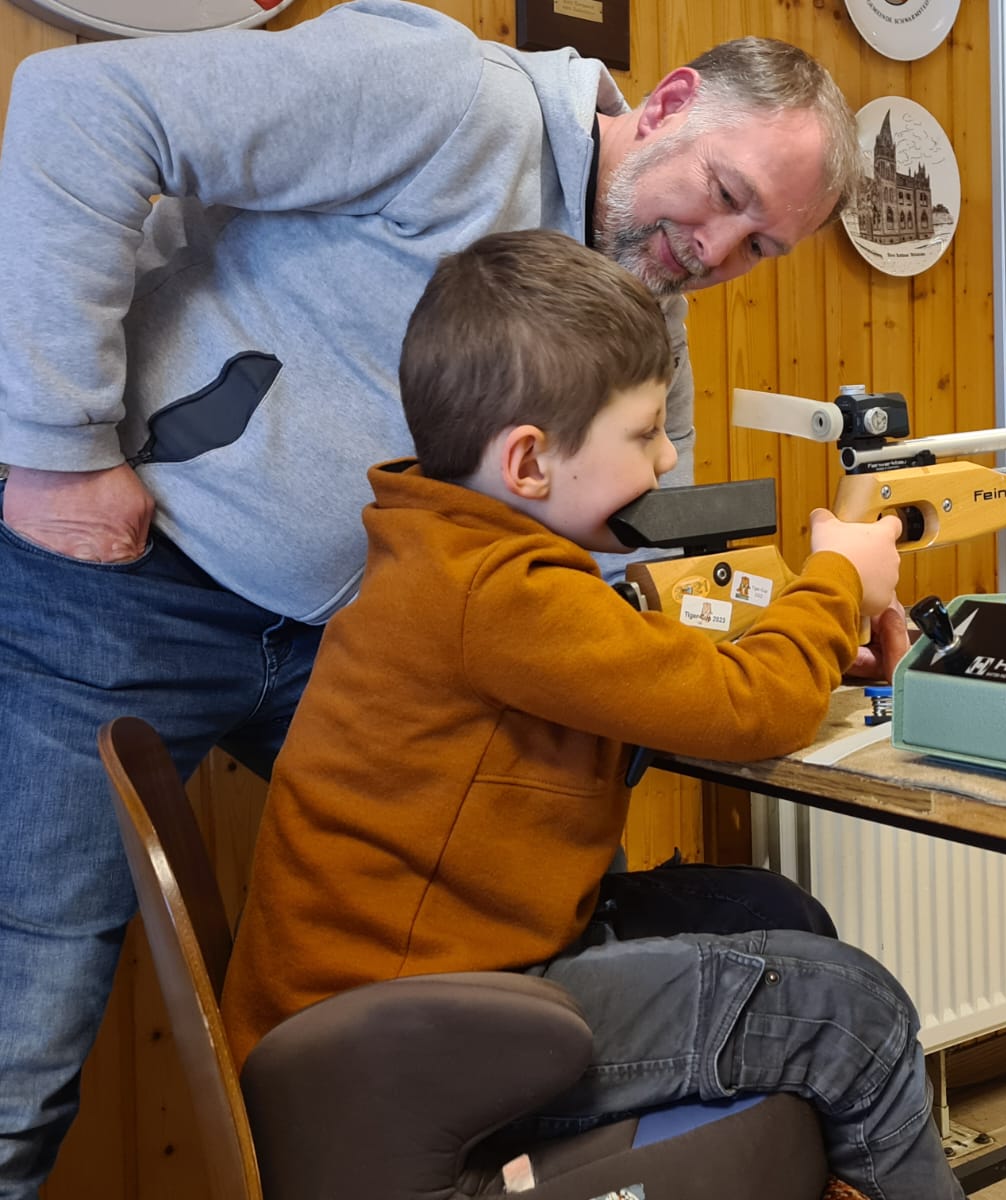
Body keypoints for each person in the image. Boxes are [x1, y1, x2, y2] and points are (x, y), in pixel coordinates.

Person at [0, 4, 907, 1195]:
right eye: (726, 194)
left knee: (534, 865)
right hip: (133, 583)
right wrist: (58, 442)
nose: (718, 249)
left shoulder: (640, 291)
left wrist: (801, 622)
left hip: (348, 627)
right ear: (672, 103)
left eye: (762, 247)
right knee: (32, 1012)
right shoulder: (447, 95)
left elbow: (646, 547)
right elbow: (85, 107)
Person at [218, 227, 958, 1199]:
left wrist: (817, 641)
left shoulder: (450, 550)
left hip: (419, 999)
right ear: (528, 461)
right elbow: (751, 709)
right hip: (403, 1048)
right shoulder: (499, 592)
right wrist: (838, 583)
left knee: (767, 914)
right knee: (845, 1011)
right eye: (645, 432)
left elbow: (642, 671)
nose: (666, 458)